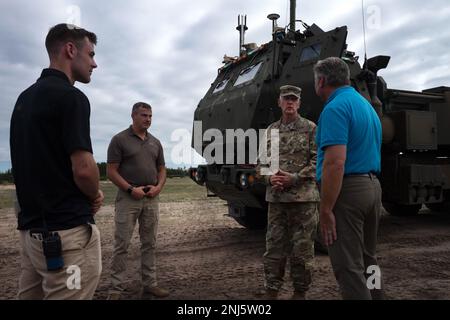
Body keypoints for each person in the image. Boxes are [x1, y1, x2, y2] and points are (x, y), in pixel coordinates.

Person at [9, 23, 103, 299]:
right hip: (66, 237)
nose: (94, 64)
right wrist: (95, 193)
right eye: (91, 54)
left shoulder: (23, 99)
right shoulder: (72, 98)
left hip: (32, 236)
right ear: (70, 50)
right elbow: (84, 170)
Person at [313, 57, 384, 299]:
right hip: (372, 187)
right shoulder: (366, 106)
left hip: (348, 192)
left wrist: (326, 209)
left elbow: (335, 163)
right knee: (369, 259)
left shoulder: (335, 108)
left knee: (349, 268)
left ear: (321, 81)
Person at [257, 85, 319, 300]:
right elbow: (262, 163)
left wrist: (295, 178)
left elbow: (318, 161)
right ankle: (271, 291)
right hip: (277, 200)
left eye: (294, 99)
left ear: (299, 103)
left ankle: (300, 293)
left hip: (303, 202)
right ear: (279, 102)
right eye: (286, 99)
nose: (290, 102)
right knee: (273, 249)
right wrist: (269, 177)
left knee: (302, 250)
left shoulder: (311, 128)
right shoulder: (271, 131)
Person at [107, 102, 168, 299]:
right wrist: (130, 189)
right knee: (122, 244)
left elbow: (162, 169)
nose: (148, 119)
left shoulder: (155, 142)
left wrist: (158, 187)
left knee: (149, 243)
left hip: (151, 198)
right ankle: (116, 289)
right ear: (133, 115)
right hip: (128, 199)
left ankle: (150, 284)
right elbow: (111, 171)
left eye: (150, 116)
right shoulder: (119, 140)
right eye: (144, 115)